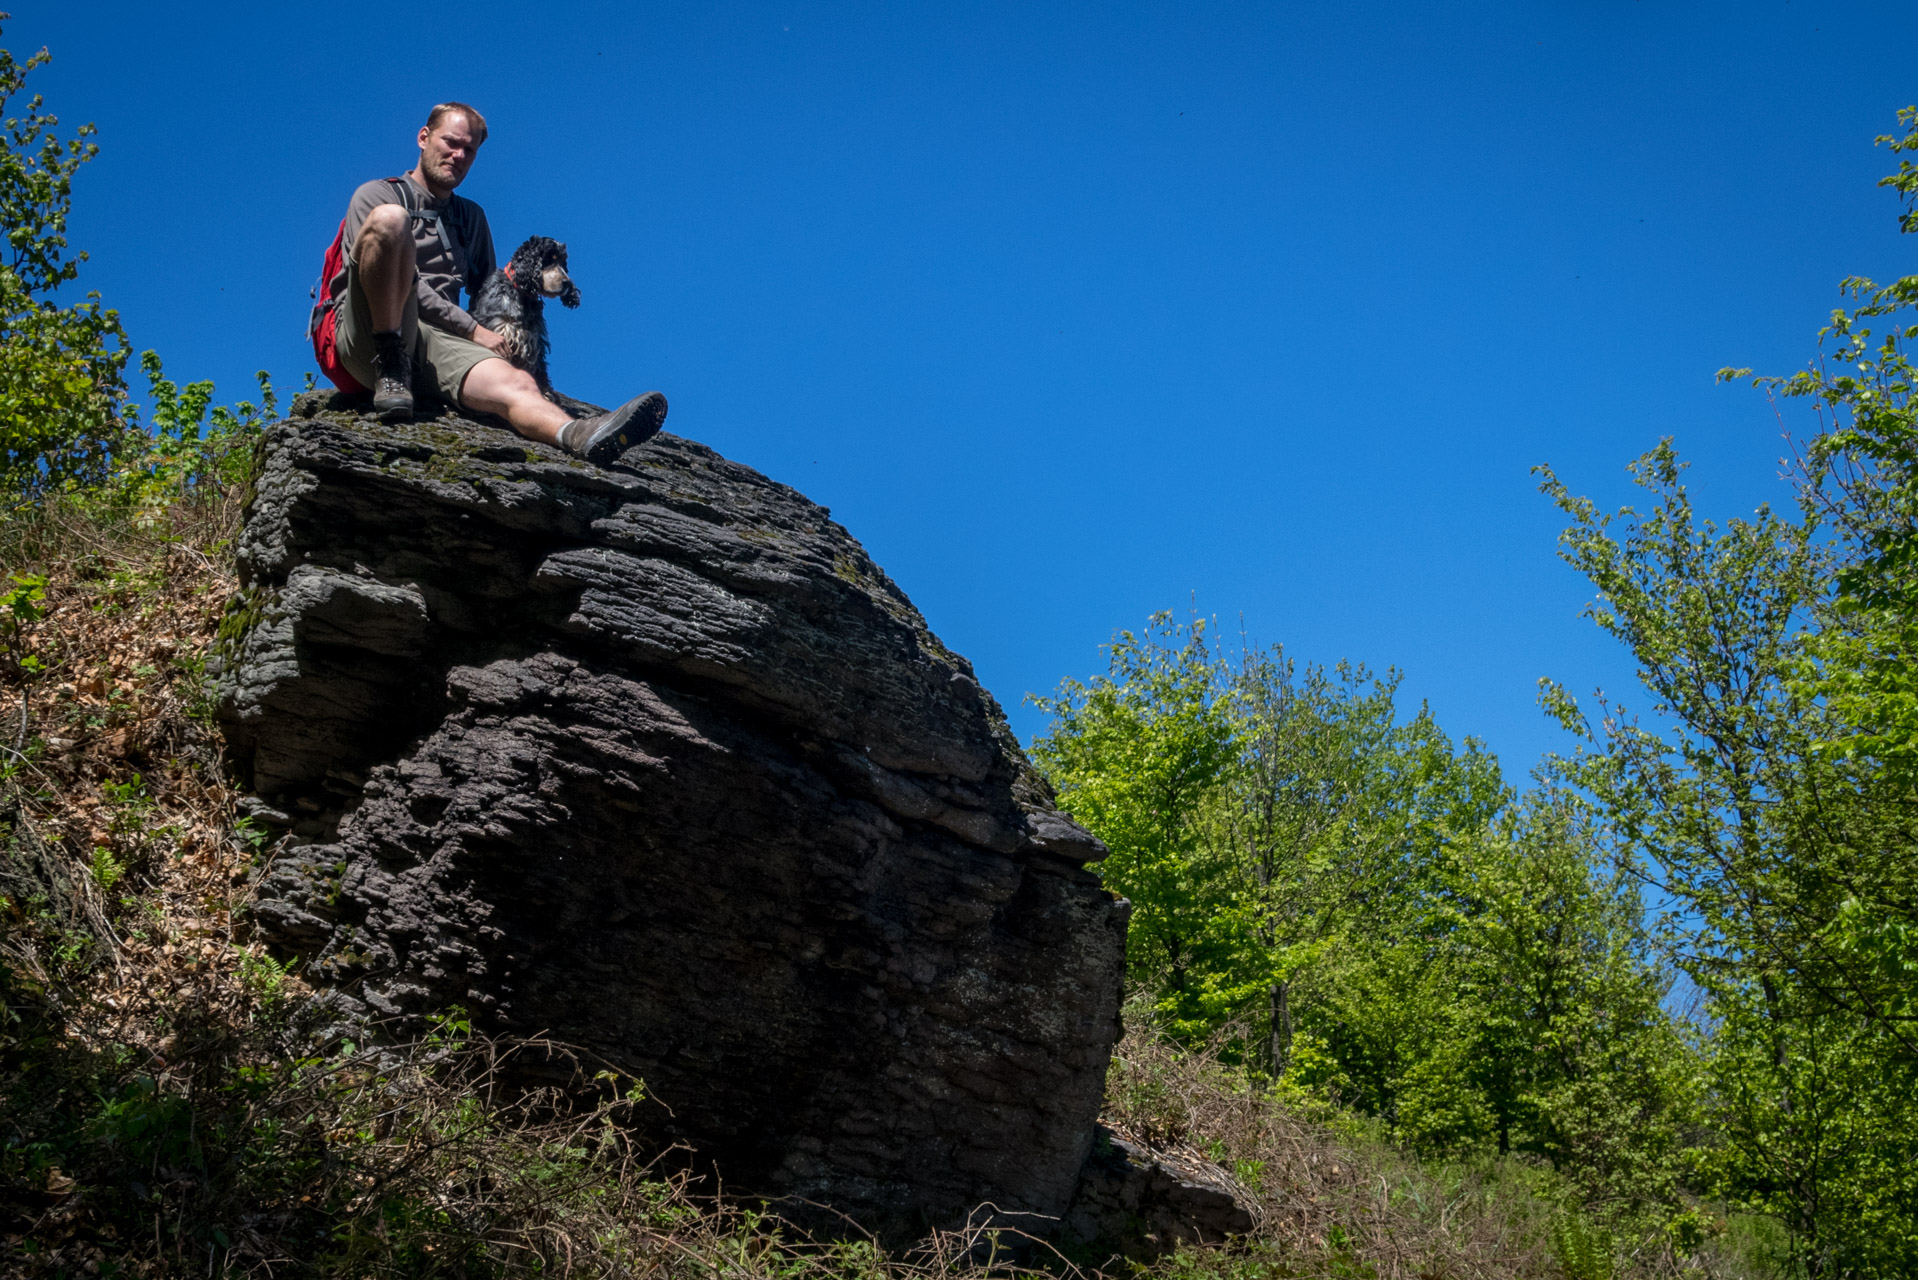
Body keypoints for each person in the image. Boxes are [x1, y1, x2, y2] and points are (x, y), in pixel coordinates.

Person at [323, 102, 666, 463]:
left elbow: (489, 289)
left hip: (436, 343)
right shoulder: (377, 195)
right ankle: (392, 367)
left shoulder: (469, 217)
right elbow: (411, 286)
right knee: (390, 221)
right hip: (373, 333)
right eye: (450, 143)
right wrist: (473, 330)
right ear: (424, 138)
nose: (458, 155)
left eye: (468, 150)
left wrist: (518, 322)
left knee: (517, 385)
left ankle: (579, 434)